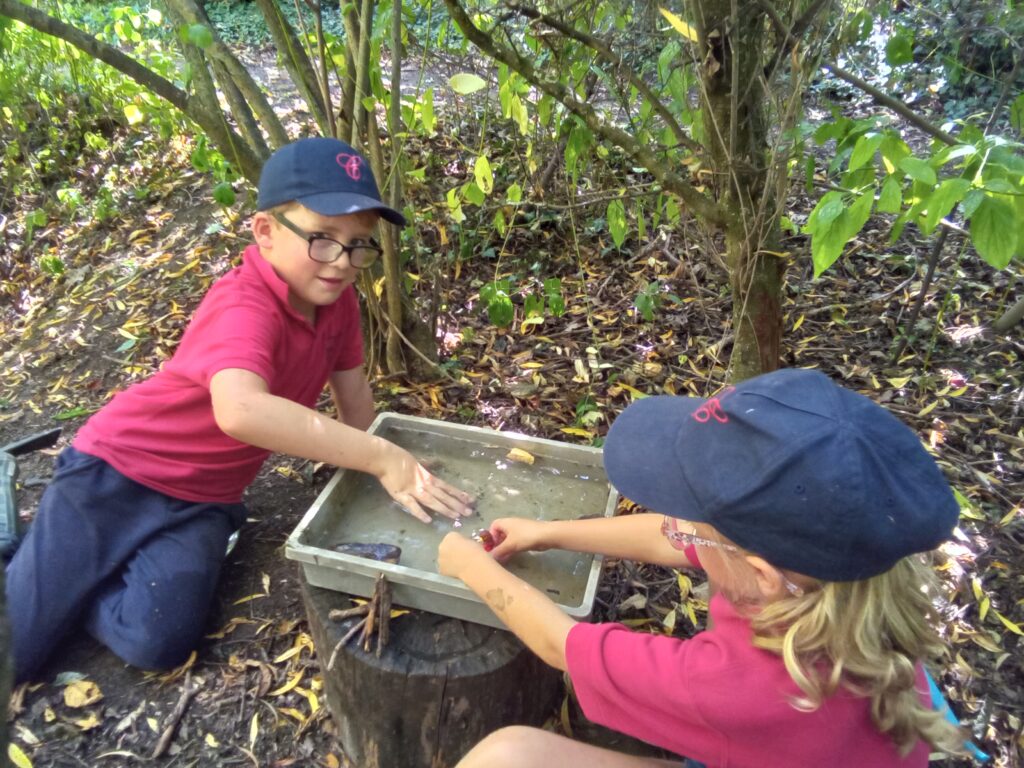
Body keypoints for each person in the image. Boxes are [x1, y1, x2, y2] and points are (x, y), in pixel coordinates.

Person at [7, 137, 473, 684]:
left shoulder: (338, 301)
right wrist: (380, 457)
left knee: (159, 641)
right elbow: (241, 411)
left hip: (205, 499)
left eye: (359, 245)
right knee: (17, 654)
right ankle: (30, 558)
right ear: (267, 232)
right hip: (115, 474)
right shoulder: (242, 303)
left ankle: (66, 583)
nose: (344, 262)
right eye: (322, 239)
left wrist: (389, 479)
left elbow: (354, 397)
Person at [438, 368, 968, 768]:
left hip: (754, 738)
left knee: (506, 756)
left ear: (760, 575)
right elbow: (673, 537)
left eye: (694, 521)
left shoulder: (742, 689)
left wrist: (470, 566)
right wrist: (549, 531)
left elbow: (563, 645)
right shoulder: (847, 581)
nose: (679, 524)